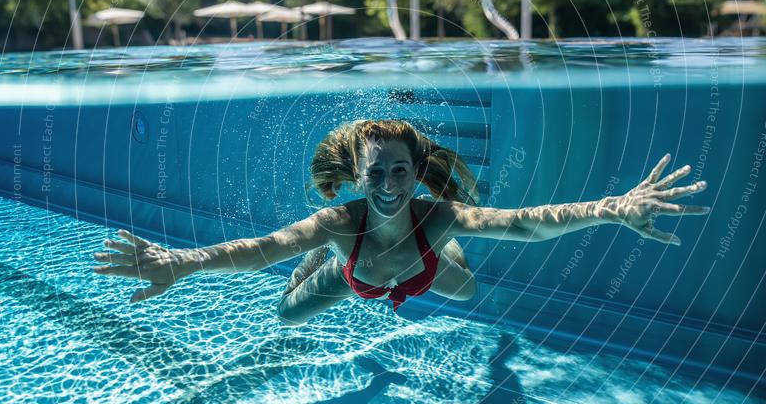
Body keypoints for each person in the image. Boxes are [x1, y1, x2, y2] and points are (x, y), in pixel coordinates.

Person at [93, 119, 710, 325]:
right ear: (357, 175)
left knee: (468, 289)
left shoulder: (437, 213)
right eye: (375, 175)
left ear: (416, 173)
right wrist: (180, 261)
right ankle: (328, 266)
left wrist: (611, 209)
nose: (387, 188)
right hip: (354, 273)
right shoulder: (340, 219)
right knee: (285, 313)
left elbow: (524, 224)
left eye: (398, 174)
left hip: (426, 269)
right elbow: (260, 249)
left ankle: (446, 255)